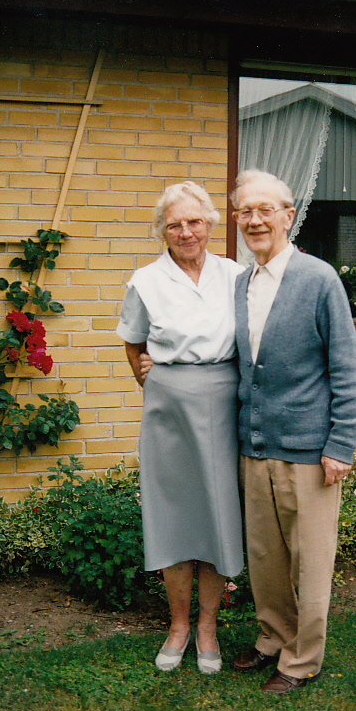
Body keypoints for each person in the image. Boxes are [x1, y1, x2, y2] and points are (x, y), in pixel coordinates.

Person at [231, 169, 356, 695]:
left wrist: (340, 444)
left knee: (309, 560)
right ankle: (272, 638)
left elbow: (347, 367)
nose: (256, 220)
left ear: (289, 215)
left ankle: (302, 659)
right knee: (265, 557)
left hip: (310, 451)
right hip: (255, 444)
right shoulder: (243, 282)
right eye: (246, 211)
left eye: (267, 210)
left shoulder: (318, 278)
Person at [116, 180, 244, 675]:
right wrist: (150, 380)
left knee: (218, 514)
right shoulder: (145, 281)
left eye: (194, 221)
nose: (186, 232)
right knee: (173, 516)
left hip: (226, 399)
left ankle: (208, 626)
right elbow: (133, 342)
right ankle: (178, 625)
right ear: (162, 232)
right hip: (169, 408)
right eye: (175, 224)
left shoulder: (236, 275)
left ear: (211, 224)